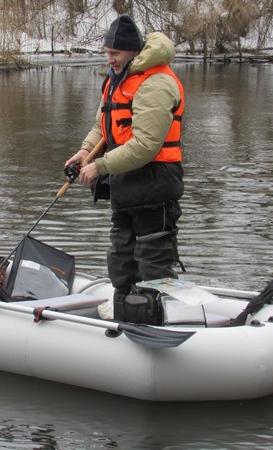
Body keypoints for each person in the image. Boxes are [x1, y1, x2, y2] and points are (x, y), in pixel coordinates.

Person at [64, 14, 185, 321]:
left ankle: (153, 315)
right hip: (126, 184)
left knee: (152, 258)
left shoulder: (156, 83)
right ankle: (124, 309)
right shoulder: (117, 81)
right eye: (107, 53)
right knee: (120, 255)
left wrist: (101, 166)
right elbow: (102, 126)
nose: (110, 59)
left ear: (133, 51)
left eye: (115, 53)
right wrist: (85, 153)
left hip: (155, 183)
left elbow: (146, 145)